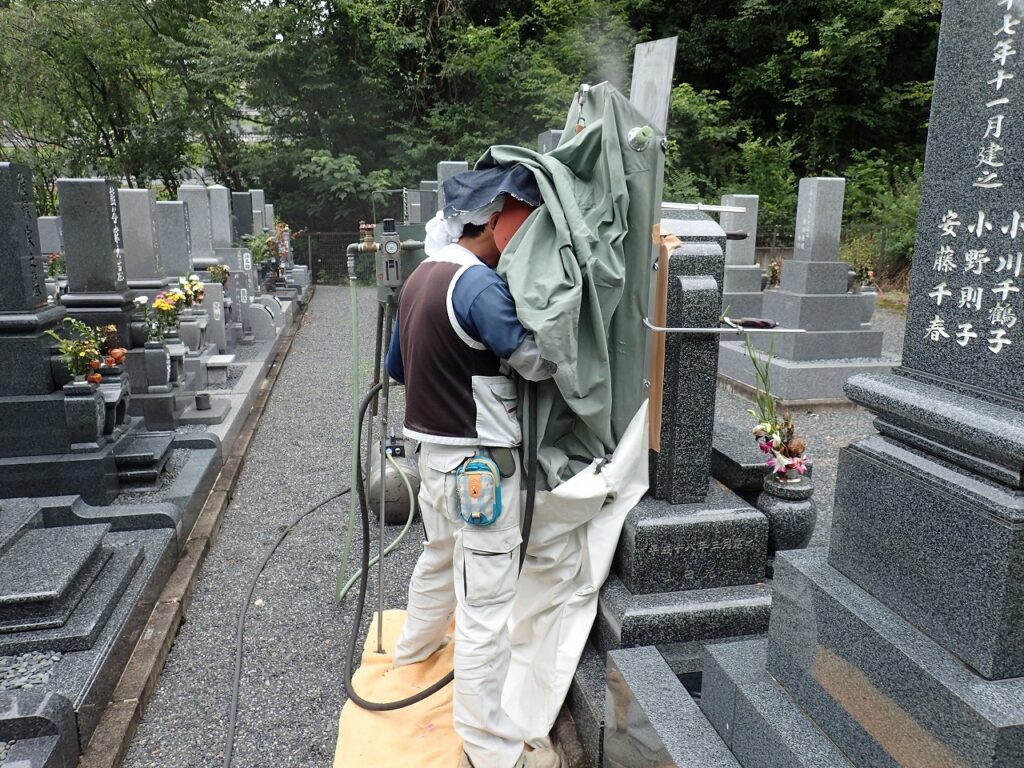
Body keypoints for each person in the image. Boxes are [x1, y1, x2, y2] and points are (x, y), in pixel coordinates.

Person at [385, 168, 559, 768]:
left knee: (437, 559)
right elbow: (536, 363)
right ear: (494, 218)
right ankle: (494, 752)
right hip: (478, 469)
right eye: (524, 217)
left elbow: (397, 371)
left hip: (431, 458)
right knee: (484, 607)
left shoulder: (421, 277)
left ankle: (411, 656)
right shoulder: (480, 287)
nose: (529, 228)